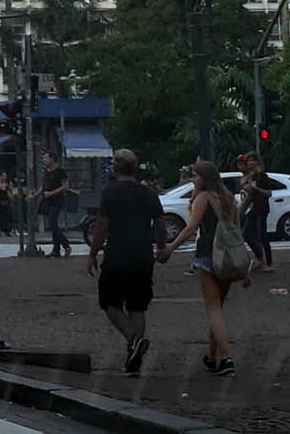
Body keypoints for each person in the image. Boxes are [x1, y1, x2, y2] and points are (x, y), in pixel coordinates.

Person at [159, 160, 244, 376]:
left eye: (195, 176)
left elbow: (191, 228)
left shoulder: (203, 198)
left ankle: (226, 358)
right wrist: (247, 264)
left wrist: (171, 248)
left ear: (204, 178)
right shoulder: (228, 199)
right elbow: (237, 232)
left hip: (207, 256)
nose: (192, 180)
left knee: (213, 310)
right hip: (228, 259)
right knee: (218, 311)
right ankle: (212, 356)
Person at [88, 149, 165, 376]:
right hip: (143, 255)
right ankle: (135, 358)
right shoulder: (149, 194)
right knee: (137, 305)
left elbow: (101, 227)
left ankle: (133, 341)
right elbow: (160, 224)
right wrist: (161, 247)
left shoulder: (110, 193)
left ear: (116, 168)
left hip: (117, 254)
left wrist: (93, 253)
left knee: (109, 302)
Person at [238, 153, 275, 273]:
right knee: (247, 233)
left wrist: (256, 189)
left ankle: (268, 263)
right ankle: (260, 260)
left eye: (251, 160)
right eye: (247, 161)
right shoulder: (253, 176)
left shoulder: (263, 176)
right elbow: (249, 193)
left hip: (262, 208)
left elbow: (269, 193)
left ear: (257, 162)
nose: (248, 163)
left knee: (263, 236)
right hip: (254, 209)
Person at [41, 151, 72, 256]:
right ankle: (56, 250)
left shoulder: (60, 172)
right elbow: (43, 186)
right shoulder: (47, 172)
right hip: (48, 201)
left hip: (57, 201)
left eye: (46, 158)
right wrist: (35, 195)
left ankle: (66, 245)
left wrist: (51, 193)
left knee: (52, 223)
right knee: (53, 225)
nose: (44, 160)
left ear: (52, 159)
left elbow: (65, 186)